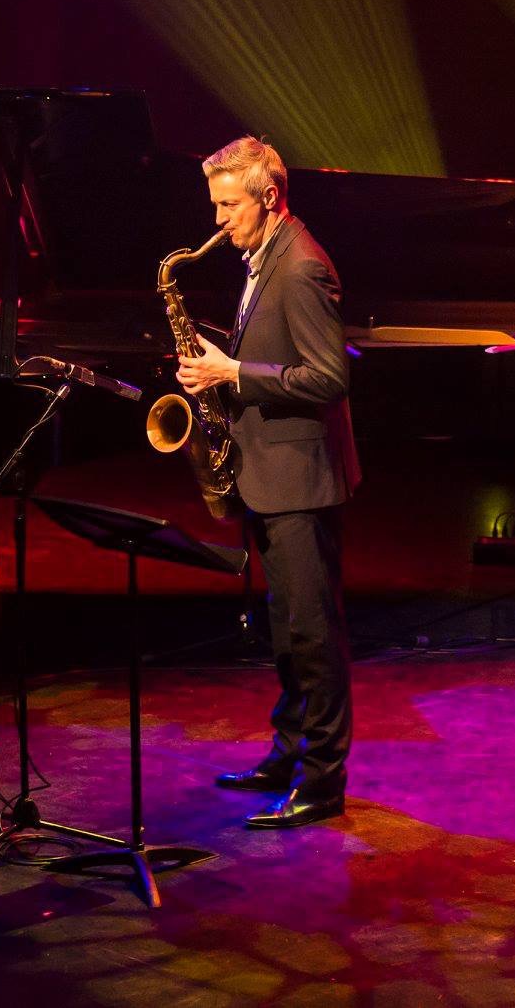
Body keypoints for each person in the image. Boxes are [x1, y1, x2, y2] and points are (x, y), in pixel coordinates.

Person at [176, 136, 362, 829]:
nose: (219, 221)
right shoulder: (265, 256)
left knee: (314, 638)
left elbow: (329, 378)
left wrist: (233, 373)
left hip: (301, 483)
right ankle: (287, 755)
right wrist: (217, 367)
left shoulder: (302, 266)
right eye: (216, 206)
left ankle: (323, 783)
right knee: (287, 635)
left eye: (229, 206)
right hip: (271, 477)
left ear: (270, 196)